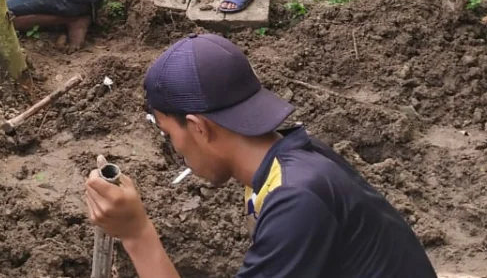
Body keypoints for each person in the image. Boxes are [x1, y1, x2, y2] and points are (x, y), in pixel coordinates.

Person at [84, 34, 439, 278]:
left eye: (169, 133)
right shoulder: (296, 160)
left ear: (198, 128)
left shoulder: (296, 200)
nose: (174, 148)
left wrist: (136, 234)